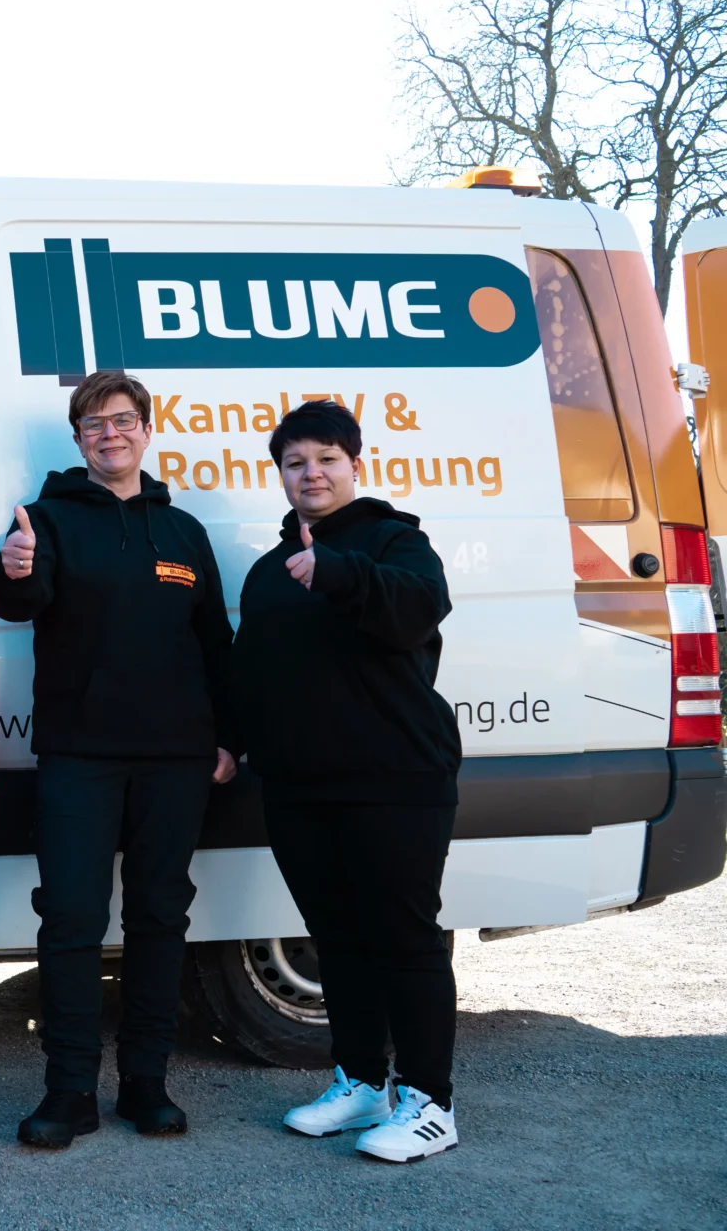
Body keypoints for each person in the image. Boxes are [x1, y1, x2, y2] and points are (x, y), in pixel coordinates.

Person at [0, 371, 236, 1149]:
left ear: (146, 429)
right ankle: (68, 1093)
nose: (110, 434)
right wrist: (15, 566)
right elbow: (16, 599)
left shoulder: (184, 532)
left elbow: (214, 645)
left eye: (122, 420)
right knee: (70, 921)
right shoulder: (50, 519)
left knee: (160, 918)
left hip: (176, 759)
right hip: (80, 756)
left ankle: (146, 1085)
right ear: (79, 438)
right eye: (93, 424)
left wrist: (228, 738)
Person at [231, 399, 463, 1163]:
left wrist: (337, 572)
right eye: (295, 462)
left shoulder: (396, 541)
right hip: (301, 785)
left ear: (353, 463)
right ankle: (362, 1079)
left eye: (326, 458)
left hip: (394, 775)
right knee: (338, 940)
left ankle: (429, 1101)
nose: (311, 473)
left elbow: (419, 607)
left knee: (405, 938)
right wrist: (233, 741)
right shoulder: (268, 571)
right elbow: (252, 673)